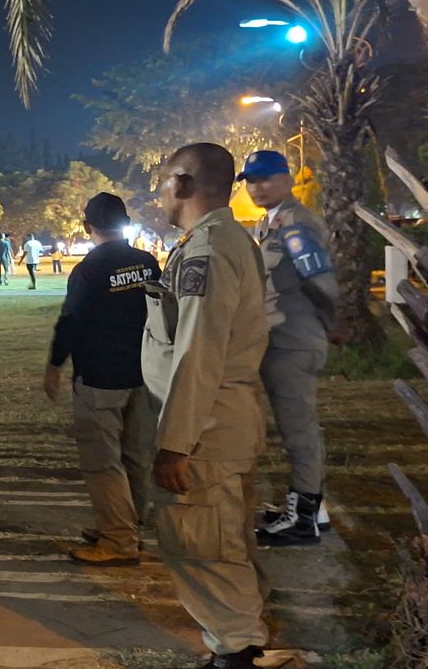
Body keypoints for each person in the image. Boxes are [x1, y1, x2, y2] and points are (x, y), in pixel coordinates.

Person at [144, 143, 270, 669]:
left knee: (203, 545)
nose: (159, 194)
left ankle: (236, 652)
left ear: (181, 182)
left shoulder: (209, 250)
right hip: (219, 423)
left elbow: (199, 352)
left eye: (162, 182)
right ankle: (239, 645)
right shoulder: (218, 240)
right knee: (222, 539)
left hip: (205, 432)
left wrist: (175, 443)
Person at [43, 192, 160, 567]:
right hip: (143, 373)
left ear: (86, 226)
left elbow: (72, 321)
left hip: (100, 378)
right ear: (126, 222)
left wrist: (54, 365)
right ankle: (127, 524)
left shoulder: (89, 270)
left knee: (104, 462)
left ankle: (119, 539)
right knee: (136, 456)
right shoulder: (148, 263)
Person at [239, 150, 340, 547]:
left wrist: (327, 326)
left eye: (265, 178)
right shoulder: (271, 223)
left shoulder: (296, 224)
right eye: (250, 180)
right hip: (280, 339)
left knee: (299, 431)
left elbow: (321, 283)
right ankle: (314, 510)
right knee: (296, 428)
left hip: (293, 342)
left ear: (288, 178)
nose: (256, 187)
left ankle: (302, 520)